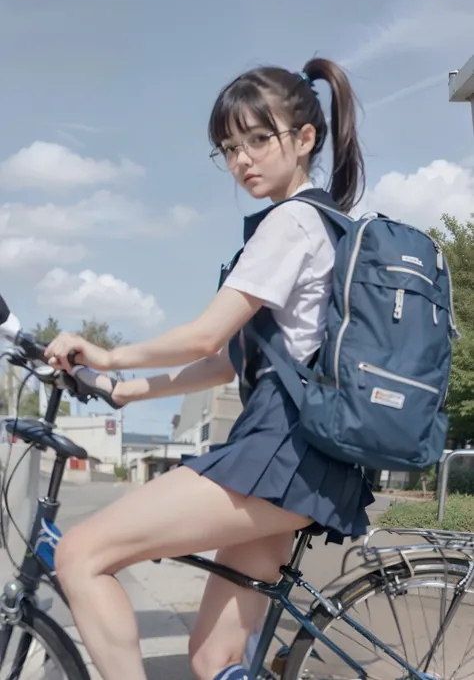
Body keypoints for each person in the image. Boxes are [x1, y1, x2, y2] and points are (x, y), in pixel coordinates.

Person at [45, 57, 375, 680]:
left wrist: (108, 352)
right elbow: (227, 364)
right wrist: (123, 390)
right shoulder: (317, 222)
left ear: (305, 139)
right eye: (229, 147)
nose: (242, 159)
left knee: (82, 553)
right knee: (216, 659)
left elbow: (204, 335)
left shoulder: (292, 222)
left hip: (281, 452)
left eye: (258, 138)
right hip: (305, 458)